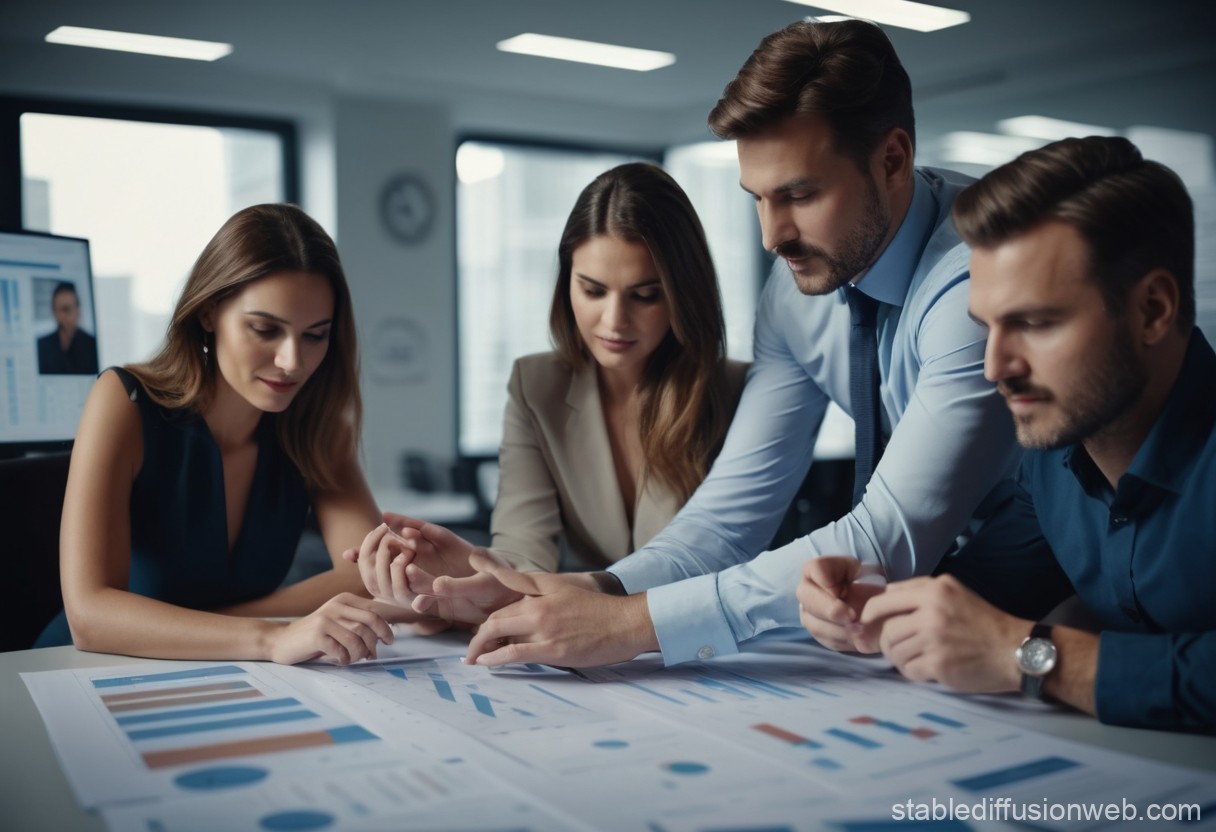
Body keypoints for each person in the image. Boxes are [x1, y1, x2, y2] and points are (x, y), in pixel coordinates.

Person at [361, 19, 1034, 669]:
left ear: (892, 159)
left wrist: (632, 625)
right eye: (758, 198)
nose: (773, 237)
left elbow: (888, 533)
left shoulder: (976, 280)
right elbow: (726, 520)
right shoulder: (796, 292)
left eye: (799, 194)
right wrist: (596, 594)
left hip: (1050, 598)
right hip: (910, 634)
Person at [825, 136, 1214, 732]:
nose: (995, 366)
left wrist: (1031, 657)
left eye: (1033, 323)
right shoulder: (1055, 460)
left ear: (1153, 310)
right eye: (989, 327)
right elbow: (981, 601)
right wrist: (870, 607)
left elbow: (1003, 639)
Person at [35, 203, 425, 664]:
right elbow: (91, 614)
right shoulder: (123, 402)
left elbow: (367, 577)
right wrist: (270, 636)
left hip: (223, 674)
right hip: (82, 674)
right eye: (265, 329)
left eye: (315, 335)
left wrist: (232, 620)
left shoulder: (315, 425)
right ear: (207, 312)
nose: (292, 362)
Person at [350, 163, 747, 607]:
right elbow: (523, 550)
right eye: (593, 290)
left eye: (645, 295)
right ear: (567, 285)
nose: (614, 320)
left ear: (684, 293)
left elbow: (725, 560)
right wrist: (465, 574)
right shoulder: (535, 386)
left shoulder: (741, 393)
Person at [37, 281, 99, 375]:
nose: (60, 316)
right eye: (56, 310)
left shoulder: (92, 345)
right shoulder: (42, 346)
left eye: (66, 309)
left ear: (77, 311)